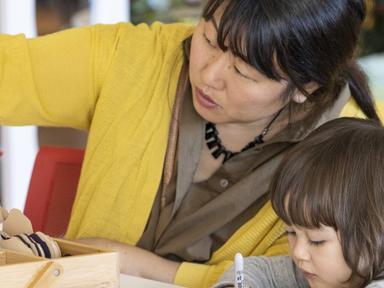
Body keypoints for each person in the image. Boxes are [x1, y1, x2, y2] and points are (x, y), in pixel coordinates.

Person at [0, 0, 382, 287]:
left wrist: (130, 262)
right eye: (209, 38)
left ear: (306, 86)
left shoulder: (363, 160)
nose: (209, 74)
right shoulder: (136, 59)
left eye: (243, 71)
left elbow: (289, 278)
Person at [213, 117, 384, 288]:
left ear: (375, 233)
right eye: (291, 233)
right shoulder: (321, 272)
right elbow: (253, 270)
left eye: (316, 241)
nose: (298, 252)